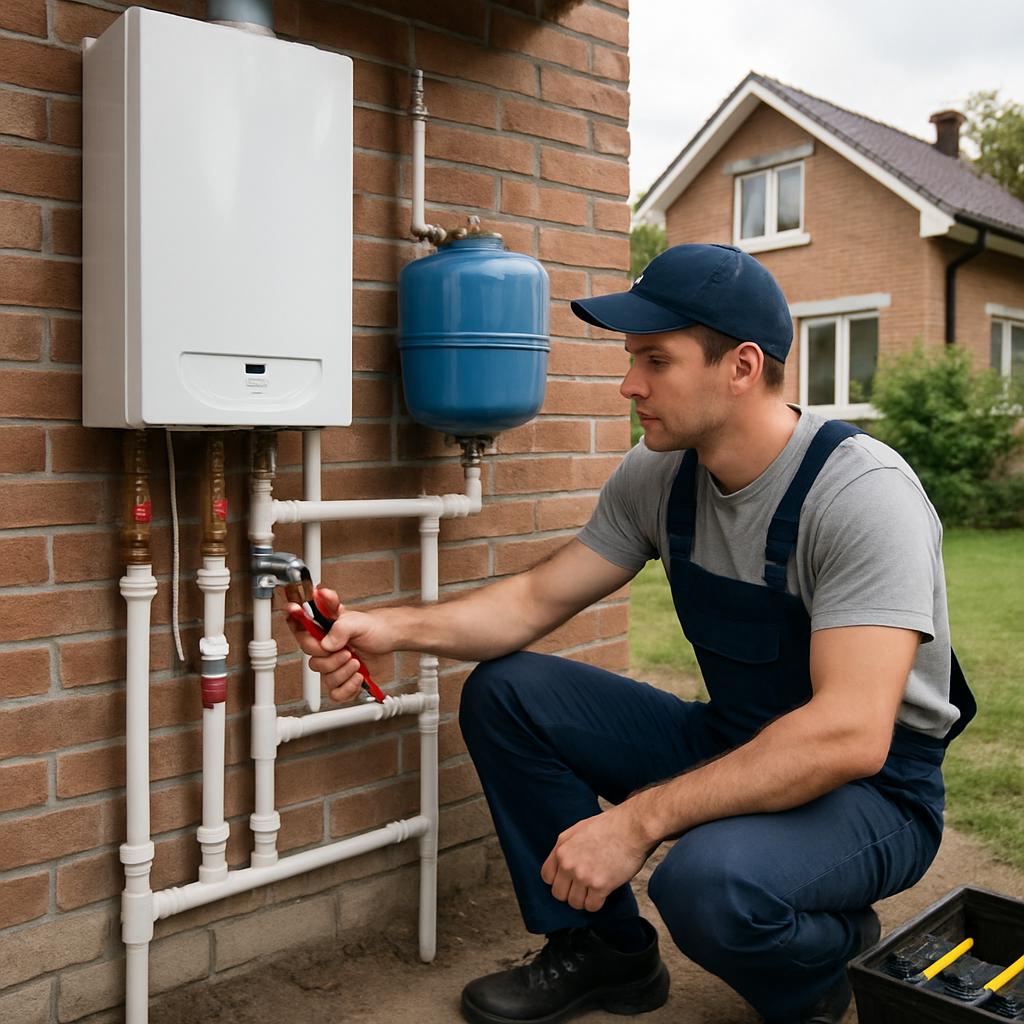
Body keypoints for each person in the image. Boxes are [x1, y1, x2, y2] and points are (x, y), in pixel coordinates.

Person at [286, 243, 974, 1024]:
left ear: (741, 367)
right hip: (738, 733)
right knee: (509, 693)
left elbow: (851, 733)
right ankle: (606, 954)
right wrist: (389, 629)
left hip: (874, 793)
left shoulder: (861, 495)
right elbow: (534, 599)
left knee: (705, 884)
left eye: (655, 360)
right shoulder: (660, 474)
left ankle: (818, 966)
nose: (628, 384)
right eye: (630, 359)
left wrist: (634, 823)